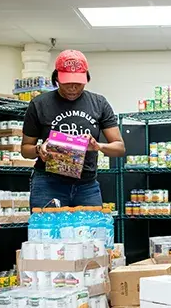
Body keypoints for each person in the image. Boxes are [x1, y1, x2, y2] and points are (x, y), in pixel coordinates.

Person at [21, 49, 126, 208]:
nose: (72, 87)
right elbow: (25, 149)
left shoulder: (99, 103)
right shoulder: (39, 104)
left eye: (78, 82)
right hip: (48, 184)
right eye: (67, 82)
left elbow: (119, 148)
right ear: (56, 77)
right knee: (48, 232)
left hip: (86, 186)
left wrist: (98, 146)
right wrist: (39, 150)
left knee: (91, 232)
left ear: (86, 78)